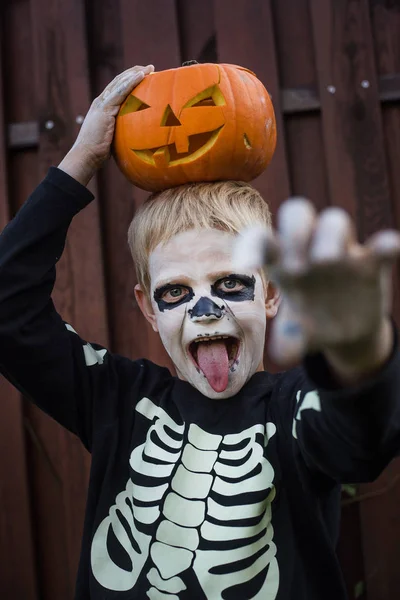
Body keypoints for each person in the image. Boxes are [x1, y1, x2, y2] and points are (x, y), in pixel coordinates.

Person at [0, 65, 399, 600]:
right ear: (147, 308)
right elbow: (8, 311)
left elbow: (360, 440)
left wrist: (359, 352)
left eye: (230, 283)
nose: (204, 309)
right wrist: (80, 160)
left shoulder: (296, 408)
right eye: (175, 292)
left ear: (272, 291)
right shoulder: (118, 401)